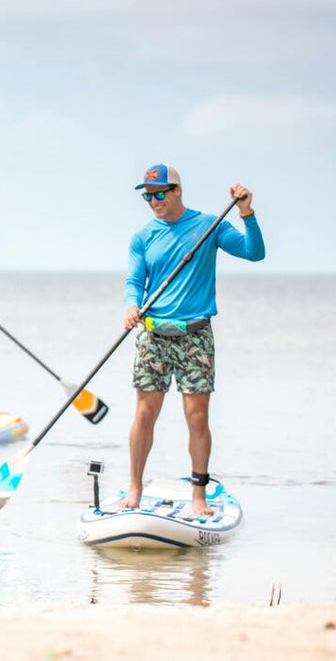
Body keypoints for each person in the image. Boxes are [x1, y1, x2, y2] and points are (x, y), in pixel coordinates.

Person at [122, 164, 264, 516]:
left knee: (197, 417)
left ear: (177, 191)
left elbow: (253, 252)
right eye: (148, 196)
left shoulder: (208, 227)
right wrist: (131, 306)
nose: (153, 200)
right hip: (153, 335)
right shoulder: (142, 237)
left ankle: (199, 497)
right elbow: (133, 282)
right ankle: (135, 488)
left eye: (159, 193)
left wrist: (246, 212)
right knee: (144, 413)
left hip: (195, 335)